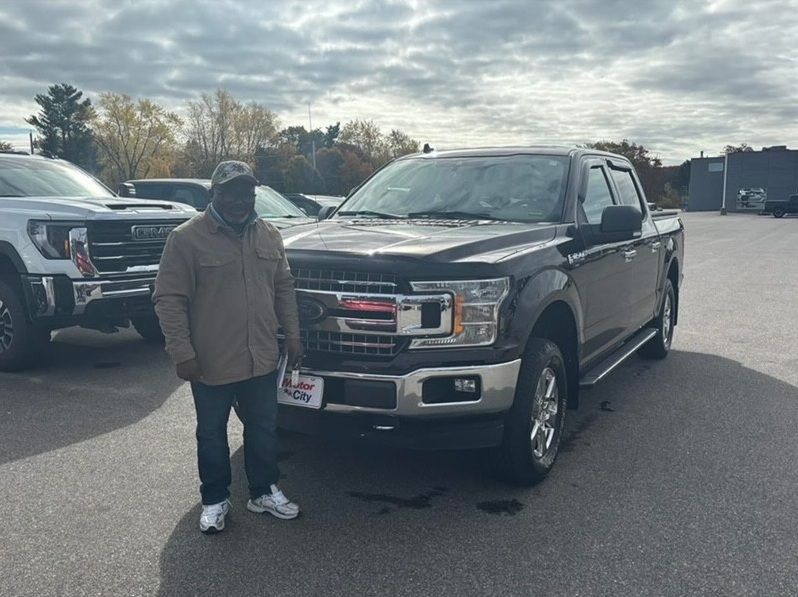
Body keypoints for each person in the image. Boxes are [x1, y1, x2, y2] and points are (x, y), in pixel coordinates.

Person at [154, 160, 303, 534]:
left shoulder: (270, 235)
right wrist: (182, 352)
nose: (240, 200)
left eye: (246, 192)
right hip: (210, 361)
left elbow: (283, 288)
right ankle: (215, 500)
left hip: (262, 357)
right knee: (212, 433)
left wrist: (295, 335)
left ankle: (263, 491)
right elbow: (169, 299)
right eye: (231, 192)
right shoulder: (186, 239)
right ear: (213, 195)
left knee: (264, 428)